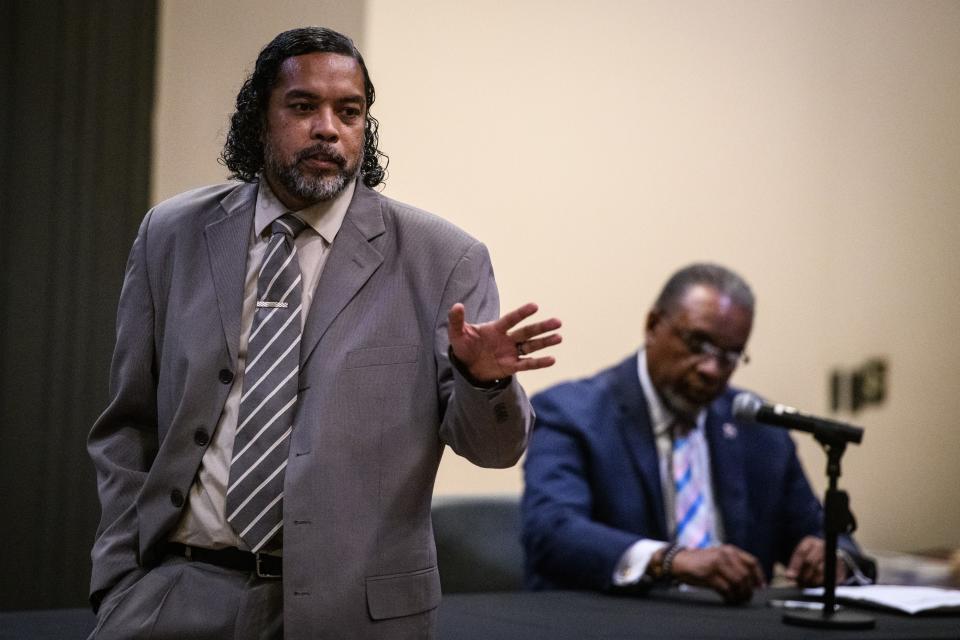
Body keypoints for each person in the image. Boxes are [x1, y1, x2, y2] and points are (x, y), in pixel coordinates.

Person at [87, 26, 560, 639]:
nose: (327, 129)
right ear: (260, 119)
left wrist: (483, 381)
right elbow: (128, 424)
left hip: (352, 614)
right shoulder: (172, 234)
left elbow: (496, 451)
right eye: (303, 106)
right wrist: (119, 581)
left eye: (349, 111)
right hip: (177, 594)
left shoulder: (443, 259)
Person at [521, 263, 873, 604]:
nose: (711, 369)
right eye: (698, 343)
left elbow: (824, 535)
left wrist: (834, 558)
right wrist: (671, 560)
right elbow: (552, 533)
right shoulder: (570, 413)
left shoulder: (760, 432)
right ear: (653, 325)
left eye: (730, 355)